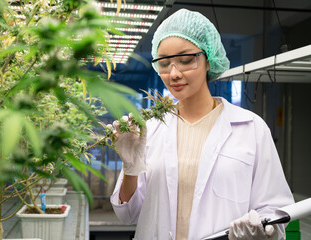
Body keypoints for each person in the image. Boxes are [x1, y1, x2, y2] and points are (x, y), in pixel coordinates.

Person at [109, 9, 294, 240]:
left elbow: (275, 213)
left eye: (186, 60)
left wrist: (262, 232)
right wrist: (131, 170)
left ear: (208, 60)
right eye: (164, 63)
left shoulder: (252, 129)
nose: (174, 73)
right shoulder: (150, 129)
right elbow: (128, 215)